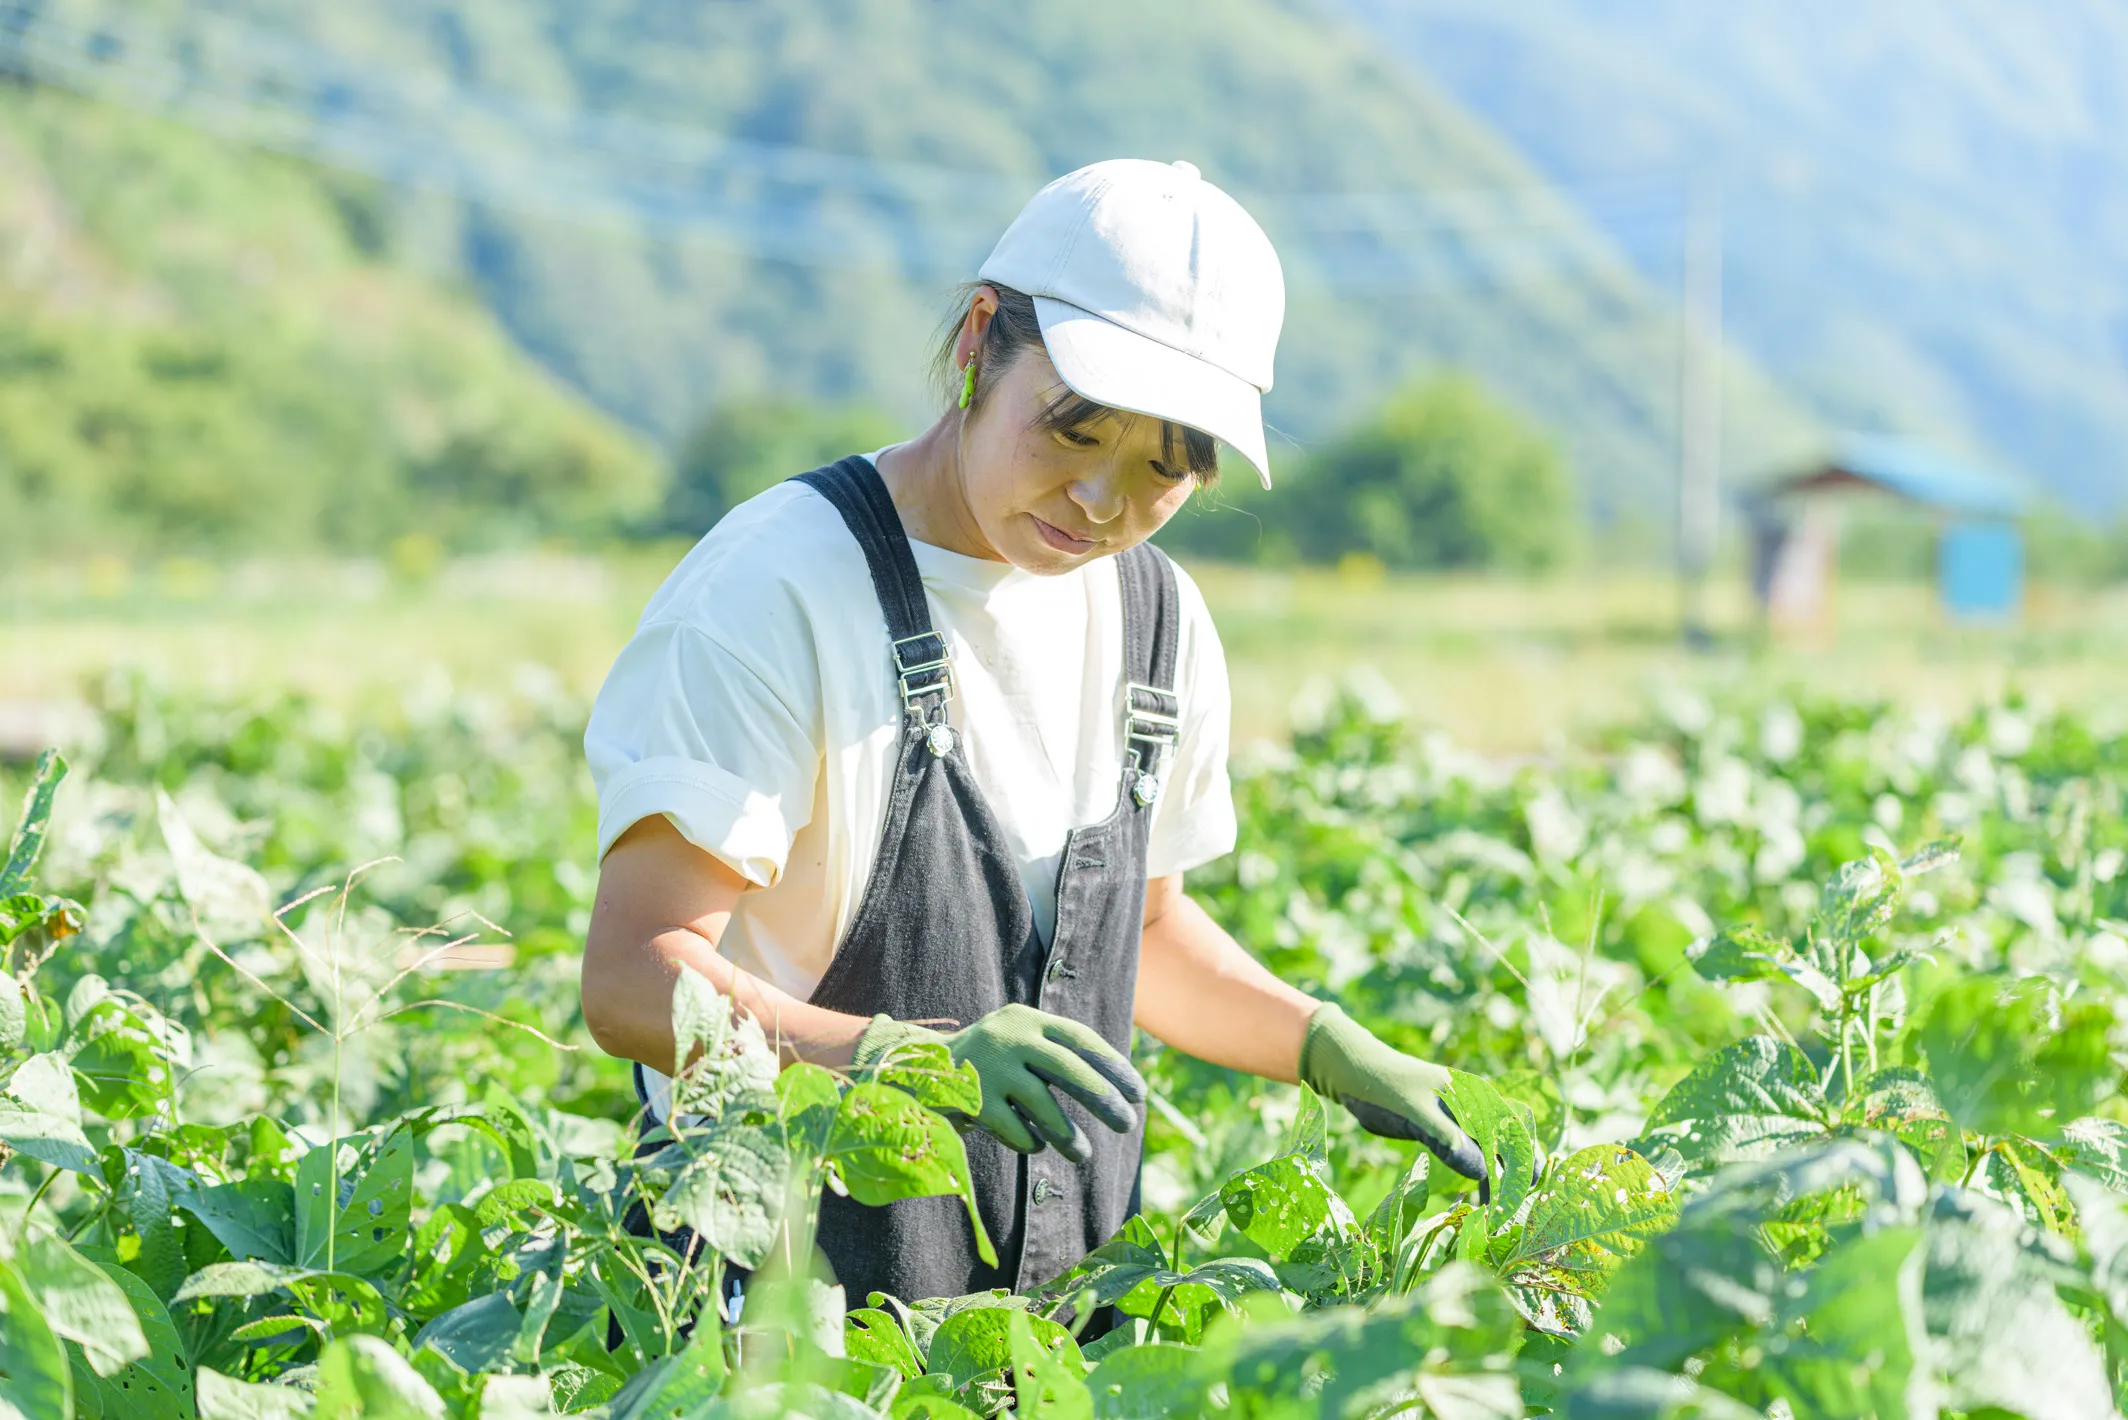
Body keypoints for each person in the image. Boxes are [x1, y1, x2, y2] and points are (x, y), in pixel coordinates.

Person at [579, 158, 1487, 1309]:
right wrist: (899, 1069)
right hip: (770, 1314)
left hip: (1052, 1326)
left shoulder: (1154, 619)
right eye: (1072, 432)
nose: (1101, 503)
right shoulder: (780, 588)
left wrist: (1318, 1040)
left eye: (1165, 469)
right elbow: (628, 978)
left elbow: (1137, 933)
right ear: (975, 346)